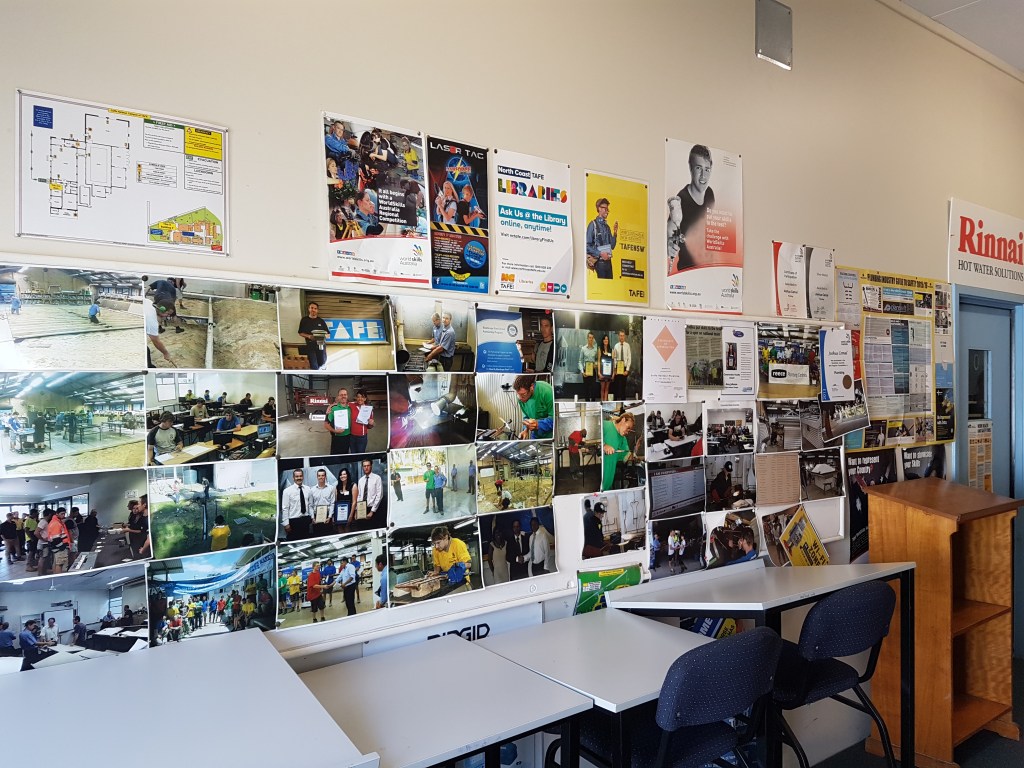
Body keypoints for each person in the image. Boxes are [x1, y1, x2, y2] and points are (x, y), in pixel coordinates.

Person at [672, 144, 716, 273]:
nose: (703, 176)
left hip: (707, 270)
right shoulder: (681, 199)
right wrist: (670, 243)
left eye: (707, 169)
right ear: (691, 168)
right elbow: (670, 229)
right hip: (687, 273)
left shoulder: (710, 194)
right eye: (699, 168)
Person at [429, 526, 472, 590]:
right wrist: (436, 572)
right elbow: (437, 566)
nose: (436, 546)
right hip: (447, 583)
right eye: (434, 543)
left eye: (438, 542)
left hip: (461, 583)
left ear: (446, 537)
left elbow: (468, 564)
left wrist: (457, 568)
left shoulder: (458, 544)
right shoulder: (435, 550)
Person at [586, 197, 619, 279]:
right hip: (599, 263)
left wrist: (615, 233)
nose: (607, 211)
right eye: (605, 208)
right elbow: (586, 246)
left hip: (608, 262)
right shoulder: (592, 225)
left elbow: (612, 246)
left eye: (607, 209)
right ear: (599, 209)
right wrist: (600, 253)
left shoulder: (607, 227)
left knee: (610, 288)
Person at [602, 411, 635, 491]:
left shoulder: (623, 439)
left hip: (608, 482)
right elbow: (596, 440)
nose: (627, 432)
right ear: (623, 420)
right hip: (598, 476)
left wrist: (634, 453)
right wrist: (604, 445)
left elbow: (626, 457)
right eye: (628, 428)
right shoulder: (606, 425)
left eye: (629, 430)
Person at [514, 375, 554, 439]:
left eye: (523, 394)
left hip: (551, 436)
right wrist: (525, 430)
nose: (520, 398)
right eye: (518, 394)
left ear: (531, 387)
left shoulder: (547, 392)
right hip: (536, 435)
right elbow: (526, 417)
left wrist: (538, 424)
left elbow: (555, 419)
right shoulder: (520, 397)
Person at [144, 293, 178, 367]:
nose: (168, 316)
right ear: (162, 309)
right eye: (168, 314)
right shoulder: (151, 320)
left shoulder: (149, 302)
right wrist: (166, 353)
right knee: (145, 350)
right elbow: (156, 341)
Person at [280, 469, 312, 541]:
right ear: (293, 478)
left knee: (306, 542)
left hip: (305, 520)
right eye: (297, 476)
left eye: (300, 476)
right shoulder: (287, 491)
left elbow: (310, 505)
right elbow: (285, 508)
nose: (299, 478)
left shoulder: (308, 489)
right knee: (294, 542)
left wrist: (311, 517)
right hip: (294, 522)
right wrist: (286, 524)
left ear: (303, 477)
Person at [298, 301, 330, 370]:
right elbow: (300, 332)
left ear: (317, 310)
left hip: (321, 345)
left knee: (322, 363)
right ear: (309, 309)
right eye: (312, 308)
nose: (313, 310)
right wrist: (309, 336)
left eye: (315, 308)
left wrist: (322, 337)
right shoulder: (304, 320)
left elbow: (328, 334)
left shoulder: (321, 321)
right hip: (310, 345)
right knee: (314, 365)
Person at [309, 468, 337, 537]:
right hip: (316, 518)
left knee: (328, 537)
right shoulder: (312, 490)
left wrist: (330, 517)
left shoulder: (331, 488)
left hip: (327, 517)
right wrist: (312, 518)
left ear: (325, 476)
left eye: (322, 475)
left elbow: (332, 504)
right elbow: (310, 505)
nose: (321, 477)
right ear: (317, 477)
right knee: (317, 537)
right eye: (319, 475)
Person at [325, 388, 352, 455]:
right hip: (337, 437)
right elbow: (326, 424)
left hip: (348, 437)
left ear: (347, 396)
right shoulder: (333, 408)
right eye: (341, 395)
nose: (343, 396)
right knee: (335, 457)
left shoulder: (351, 407)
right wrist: (335, 431)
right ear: (338, 397)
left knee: (345, 455)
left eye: (345, 394)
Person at [348, 389, 375, 454]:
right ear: (356, 398)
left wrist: (372, 423)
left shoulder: (369, 410)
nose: (360, 399)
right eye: (358, 397)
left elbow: (369, 426)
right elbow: (342, 403)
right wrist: (330, 407)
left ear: (365, 399)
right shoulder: (352, 405)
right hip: (352, 436)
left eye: (362, 397)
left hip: (362, 437)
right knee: (353, 454)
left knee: (361, 454)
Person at [611, 329, 632, 400]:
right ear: (618, 336)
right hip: (617, 368)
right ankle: (615, 402)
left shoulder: (627, 346)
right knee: (616, 387)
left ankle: (623, 404)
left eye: (623, 336)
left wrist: (627, 370)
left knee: (623, 387)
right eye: (620, 336)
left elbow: (629, 358)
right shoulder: (616, 346)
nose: (622, 337)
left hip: (624, 368)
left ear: (625, 336)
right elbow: (614, 358)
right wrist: (614, 369)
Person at [578, 332, 600, 401]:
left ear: (593, 339)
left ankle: (593, 404)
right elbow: (580, 361)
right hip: (585, 372)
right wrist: (582, 371)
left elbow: (597, 360)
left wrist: (595, 364)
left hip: (593, 371)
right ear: (587, 338)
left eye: (592, 338)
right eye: (589, 338)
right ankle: (587, 404)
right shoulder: (583, 349)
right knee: (586, 390)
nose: (591, 339)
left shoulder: (595, 349)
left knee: (593, 389)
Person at [598, 334, 614, 402]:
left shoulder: (611, 350)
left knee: (607, 388)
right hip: (602, 372)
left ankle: (605, 402)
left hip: (609, 373)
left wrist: (613, 372)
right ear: (603, 340)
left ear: (608, 340)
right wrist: (599, 372)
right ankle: (602, 402)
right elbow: (598, 361)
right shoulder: (600, 349)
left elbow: (613, 362)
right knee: (602, 388)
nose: (606, 340)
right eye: (605, 339)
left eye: (607, 339)